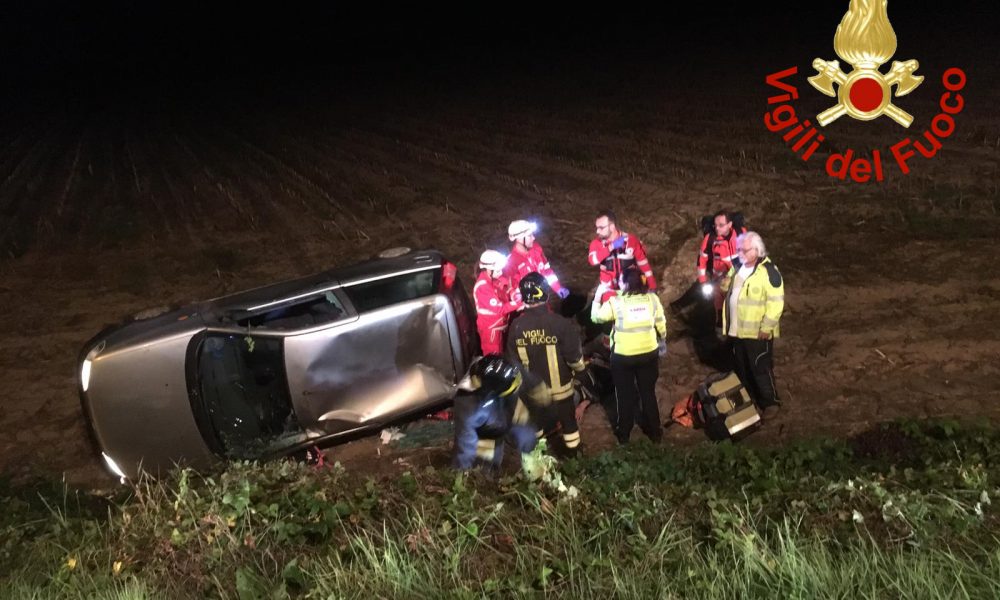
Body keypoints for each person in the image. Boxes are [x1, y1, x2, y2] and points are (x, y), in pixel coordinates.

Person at [506, 272, 586, 454]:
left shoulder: (516, 327)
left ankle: (539, 461)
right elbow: (574, 358)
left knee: (536, 426)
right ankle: (575, 457)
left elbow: (513, 363)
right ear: (545, 293)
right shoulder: (560, 323)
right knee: (569, 425)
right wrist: (580, 371)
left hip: (532, 393)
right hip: (562, 391)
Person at [590, 268, 667, 444]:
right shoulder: (652, 300)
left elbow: (596, 317)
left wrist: (598, 296)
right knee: (648, 393)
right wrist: (663, 339)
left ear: (624, 284)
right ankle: (655, 432)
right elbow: (661, 323)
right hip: (648, 354)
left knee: (624, 395)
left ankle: (624, 434)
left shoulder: (616, 303)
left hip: (623, 357)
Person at [720, 231, 784, 419]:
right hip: (737, 332)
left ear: (757, 250)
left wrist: (767, 327)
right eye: (739, 249)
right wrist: (724, 283)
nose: (740, 253)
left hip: (757, 333)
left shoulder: (769, 271)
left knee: (760, 368)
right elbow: (727, 287)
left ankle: (770, 402)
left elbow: (776, 302)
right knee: (742, 368)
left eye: (745, 250)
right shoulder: (737, 267)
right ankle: (750, 403)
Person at [453, 354, 538, 472]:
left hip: (503, 404)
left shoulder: (503, 367)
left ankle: (533, 468)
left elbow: (520, 373)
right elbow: (466, 446)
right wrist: (462, 474)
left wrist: (537, 386)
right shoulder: (468, 406)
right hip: (486, 420)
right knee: (485, 457)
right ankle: (486, 474)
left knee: (527, 435)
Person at [588, 210, 656, 303]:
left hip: (630, 290)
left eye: (601, 228)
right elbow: (593, 260)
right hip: (609, 292)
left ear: (612, 227)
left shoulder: (630, 240)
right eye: (597, 227)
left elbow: (643, 263)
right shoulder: (596, 243)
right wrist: (610, 247)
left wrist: (652, 286)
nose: (597, 231)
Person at [697, 210, 746, 324]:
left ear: (730, 224)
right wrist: (703, 281)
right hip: (719, 280)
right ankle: (720, 324)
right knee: (719, 302)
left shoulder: (741, 233)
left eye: (721, 225)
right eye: (715, 225)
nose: (717, 228)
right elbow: (702, 261)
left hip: (739, 277)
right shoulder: (710, 239)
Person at [473, 250, 523, 355]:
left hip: (498, 327)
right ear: (489, 269)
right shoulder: (483, 287)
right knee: (494, 359)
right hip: (491, 330)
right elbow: (500, 309)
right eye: (498, 270)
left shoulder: (494, 278)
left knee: (501, 356)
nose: (500, 272)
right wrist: (519, 303)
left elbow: (508, 287)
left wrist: (515, 294)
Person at [504, 219, 570, 299]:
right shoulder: (512, 262)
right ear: (519, 239)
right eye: (530, 235)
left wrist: (557, 288)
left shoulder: (537, 249)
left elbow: (546, 271)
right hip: (527, 305)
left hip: (542, 297)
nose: (533, 238)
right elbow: (510, 287)